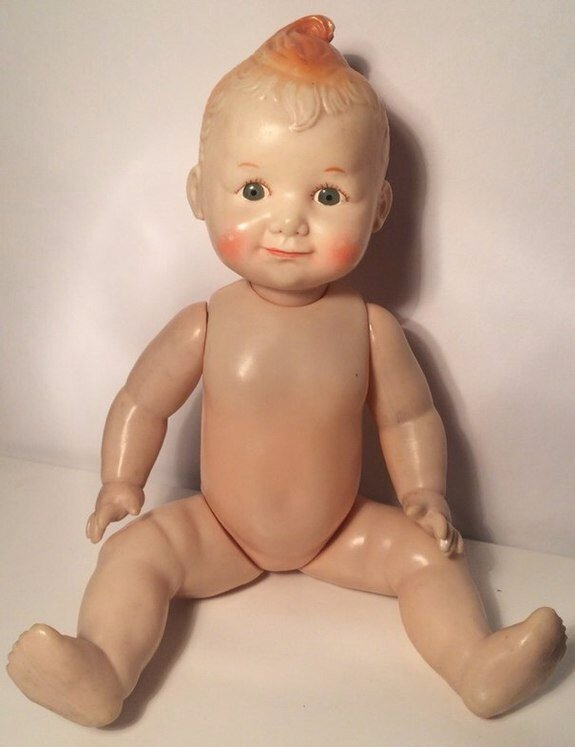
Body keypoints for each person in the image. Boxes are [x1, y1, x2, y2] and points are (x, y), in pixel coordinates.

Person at [7, 15, 566, 727]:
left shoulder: (369, 328)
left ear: (379, 208)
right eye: (253, 191)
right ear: (199, 193)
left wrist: (424, 492)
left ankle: (476, 664)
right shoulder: (207, 322)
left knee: (428, 560)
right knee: (133, 554)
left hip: (341, 530)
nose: (289, 223)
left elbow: (408, 417)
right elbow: (142, 402)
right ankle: (103, 667)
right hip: (218, 528)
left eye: (326, 196)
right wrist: (121, 480)